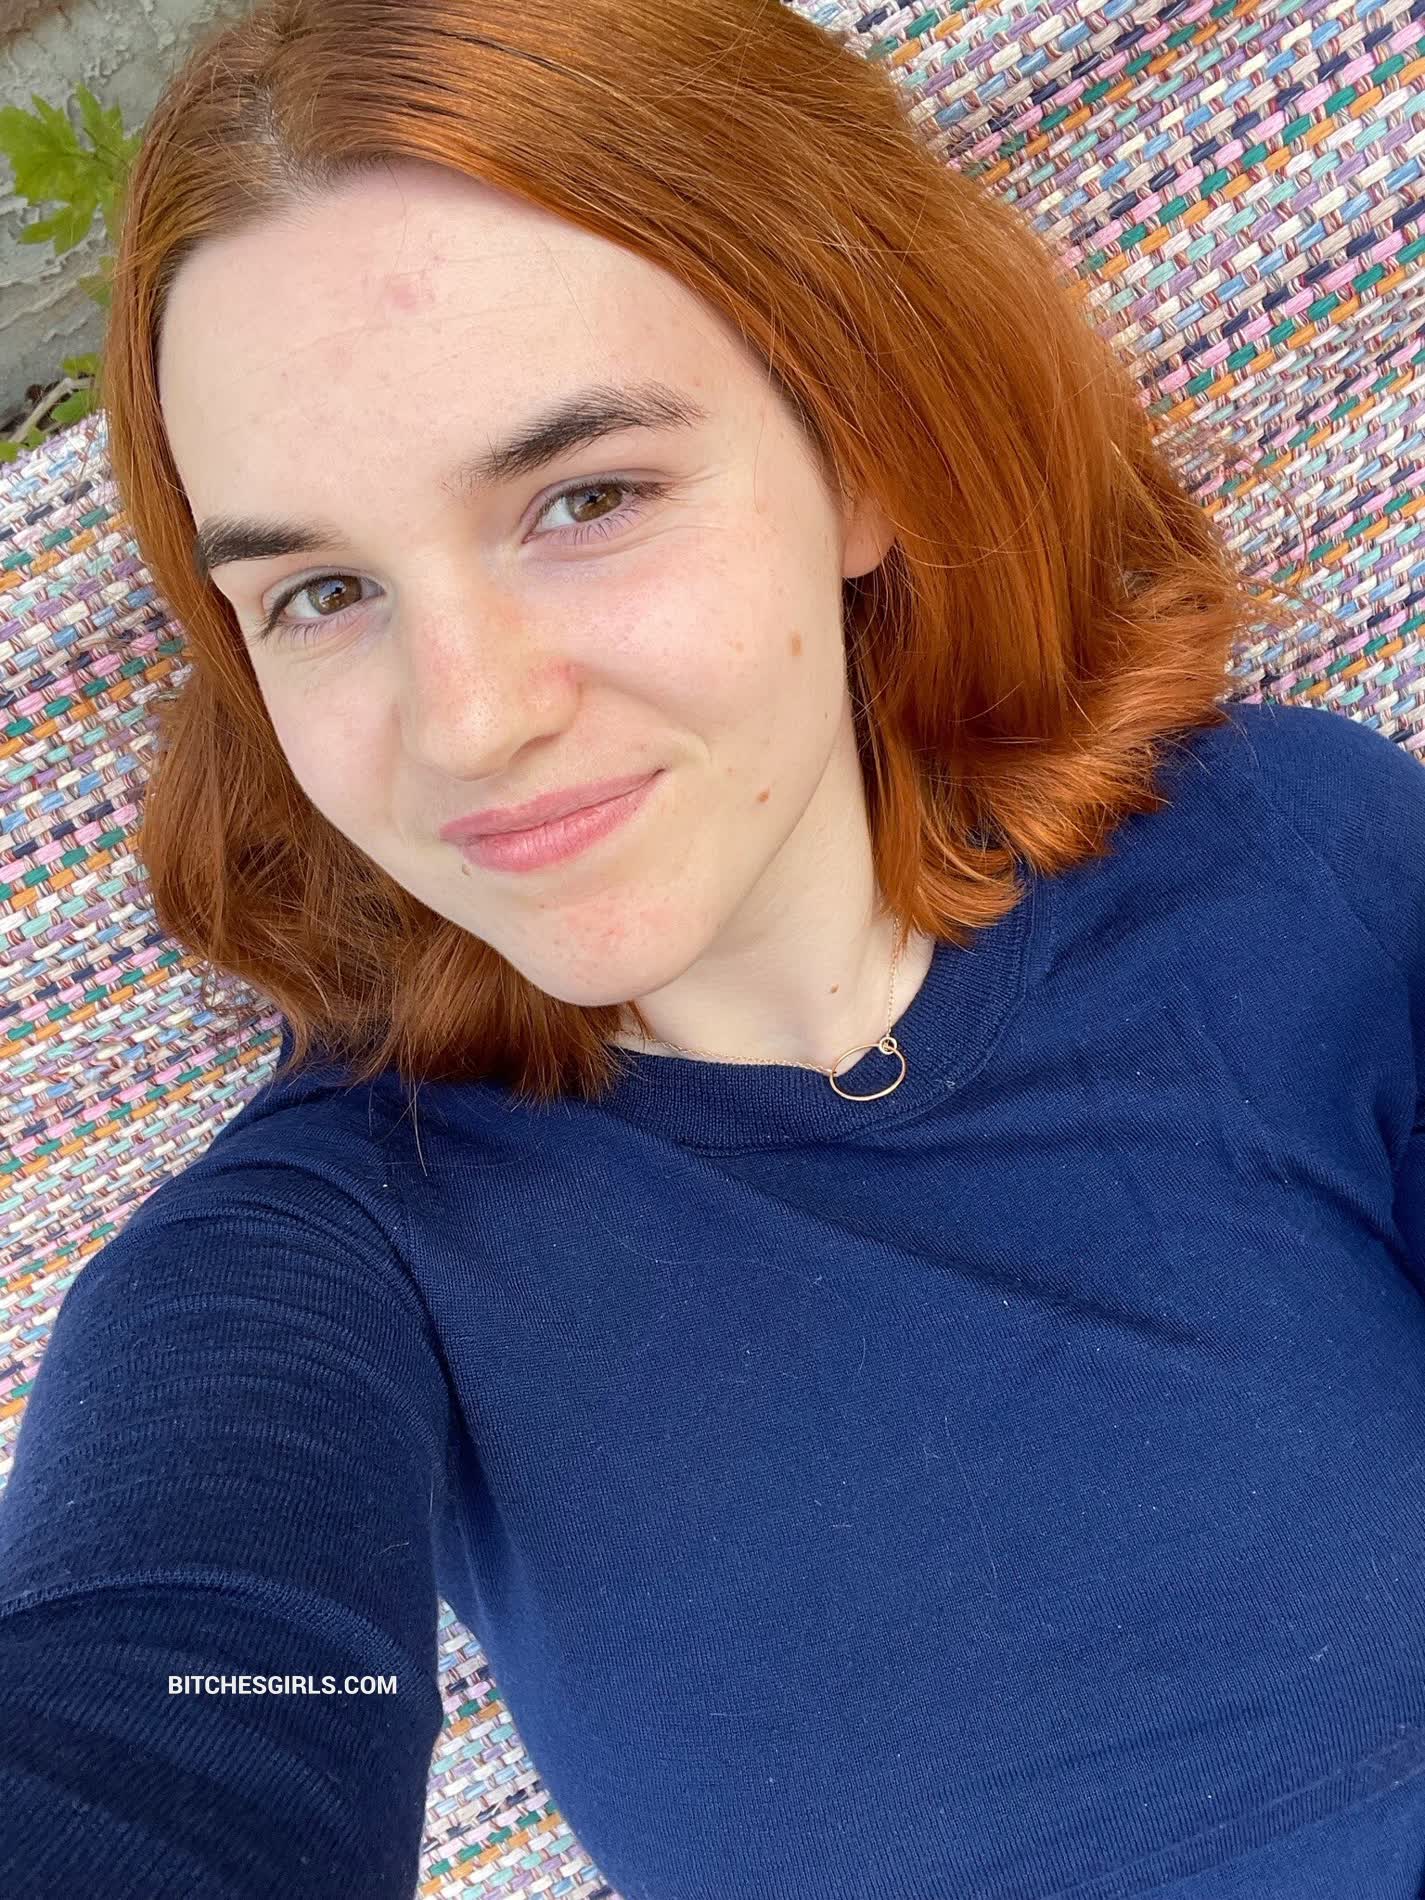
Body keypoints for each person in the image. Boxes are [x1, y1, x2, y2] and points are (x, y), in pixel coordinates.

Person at [2, 1, 1424, 1895]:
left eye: (585, 498)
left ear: (863, 456)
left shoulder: (1295, 861)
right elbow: (185, 1695)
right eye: (322, 591)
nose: (471, 720)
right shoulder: (333, 1259)